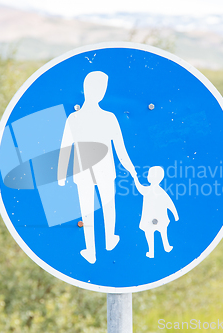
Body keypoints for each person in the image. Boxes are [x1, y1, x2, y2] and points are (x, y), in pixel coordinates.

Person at [58, 71, 137, 264]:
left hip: (83, 171)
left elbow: (64, 150)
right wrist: (132, 170)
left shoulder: (73, 119)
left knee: (87, 211)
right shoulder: (109, 117)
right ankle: (110, 240)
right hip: (104, 170)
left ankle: (91, 252)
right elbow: (121, 150)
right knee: (109, 205)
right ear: (100, 92)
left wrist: (61, 176)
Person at [133, 166, 179, 258]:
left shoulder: (155, 191)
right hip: (153, 219)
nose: (149, 176)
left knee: (157, 233)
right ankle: (158, 249)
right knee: (158, 232)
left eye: (150, 174)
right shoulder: (155, 190)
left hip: (159, 218)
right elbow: (169, 204)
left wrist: (175, 214)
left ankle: (161, 248)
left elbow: (169, 203)